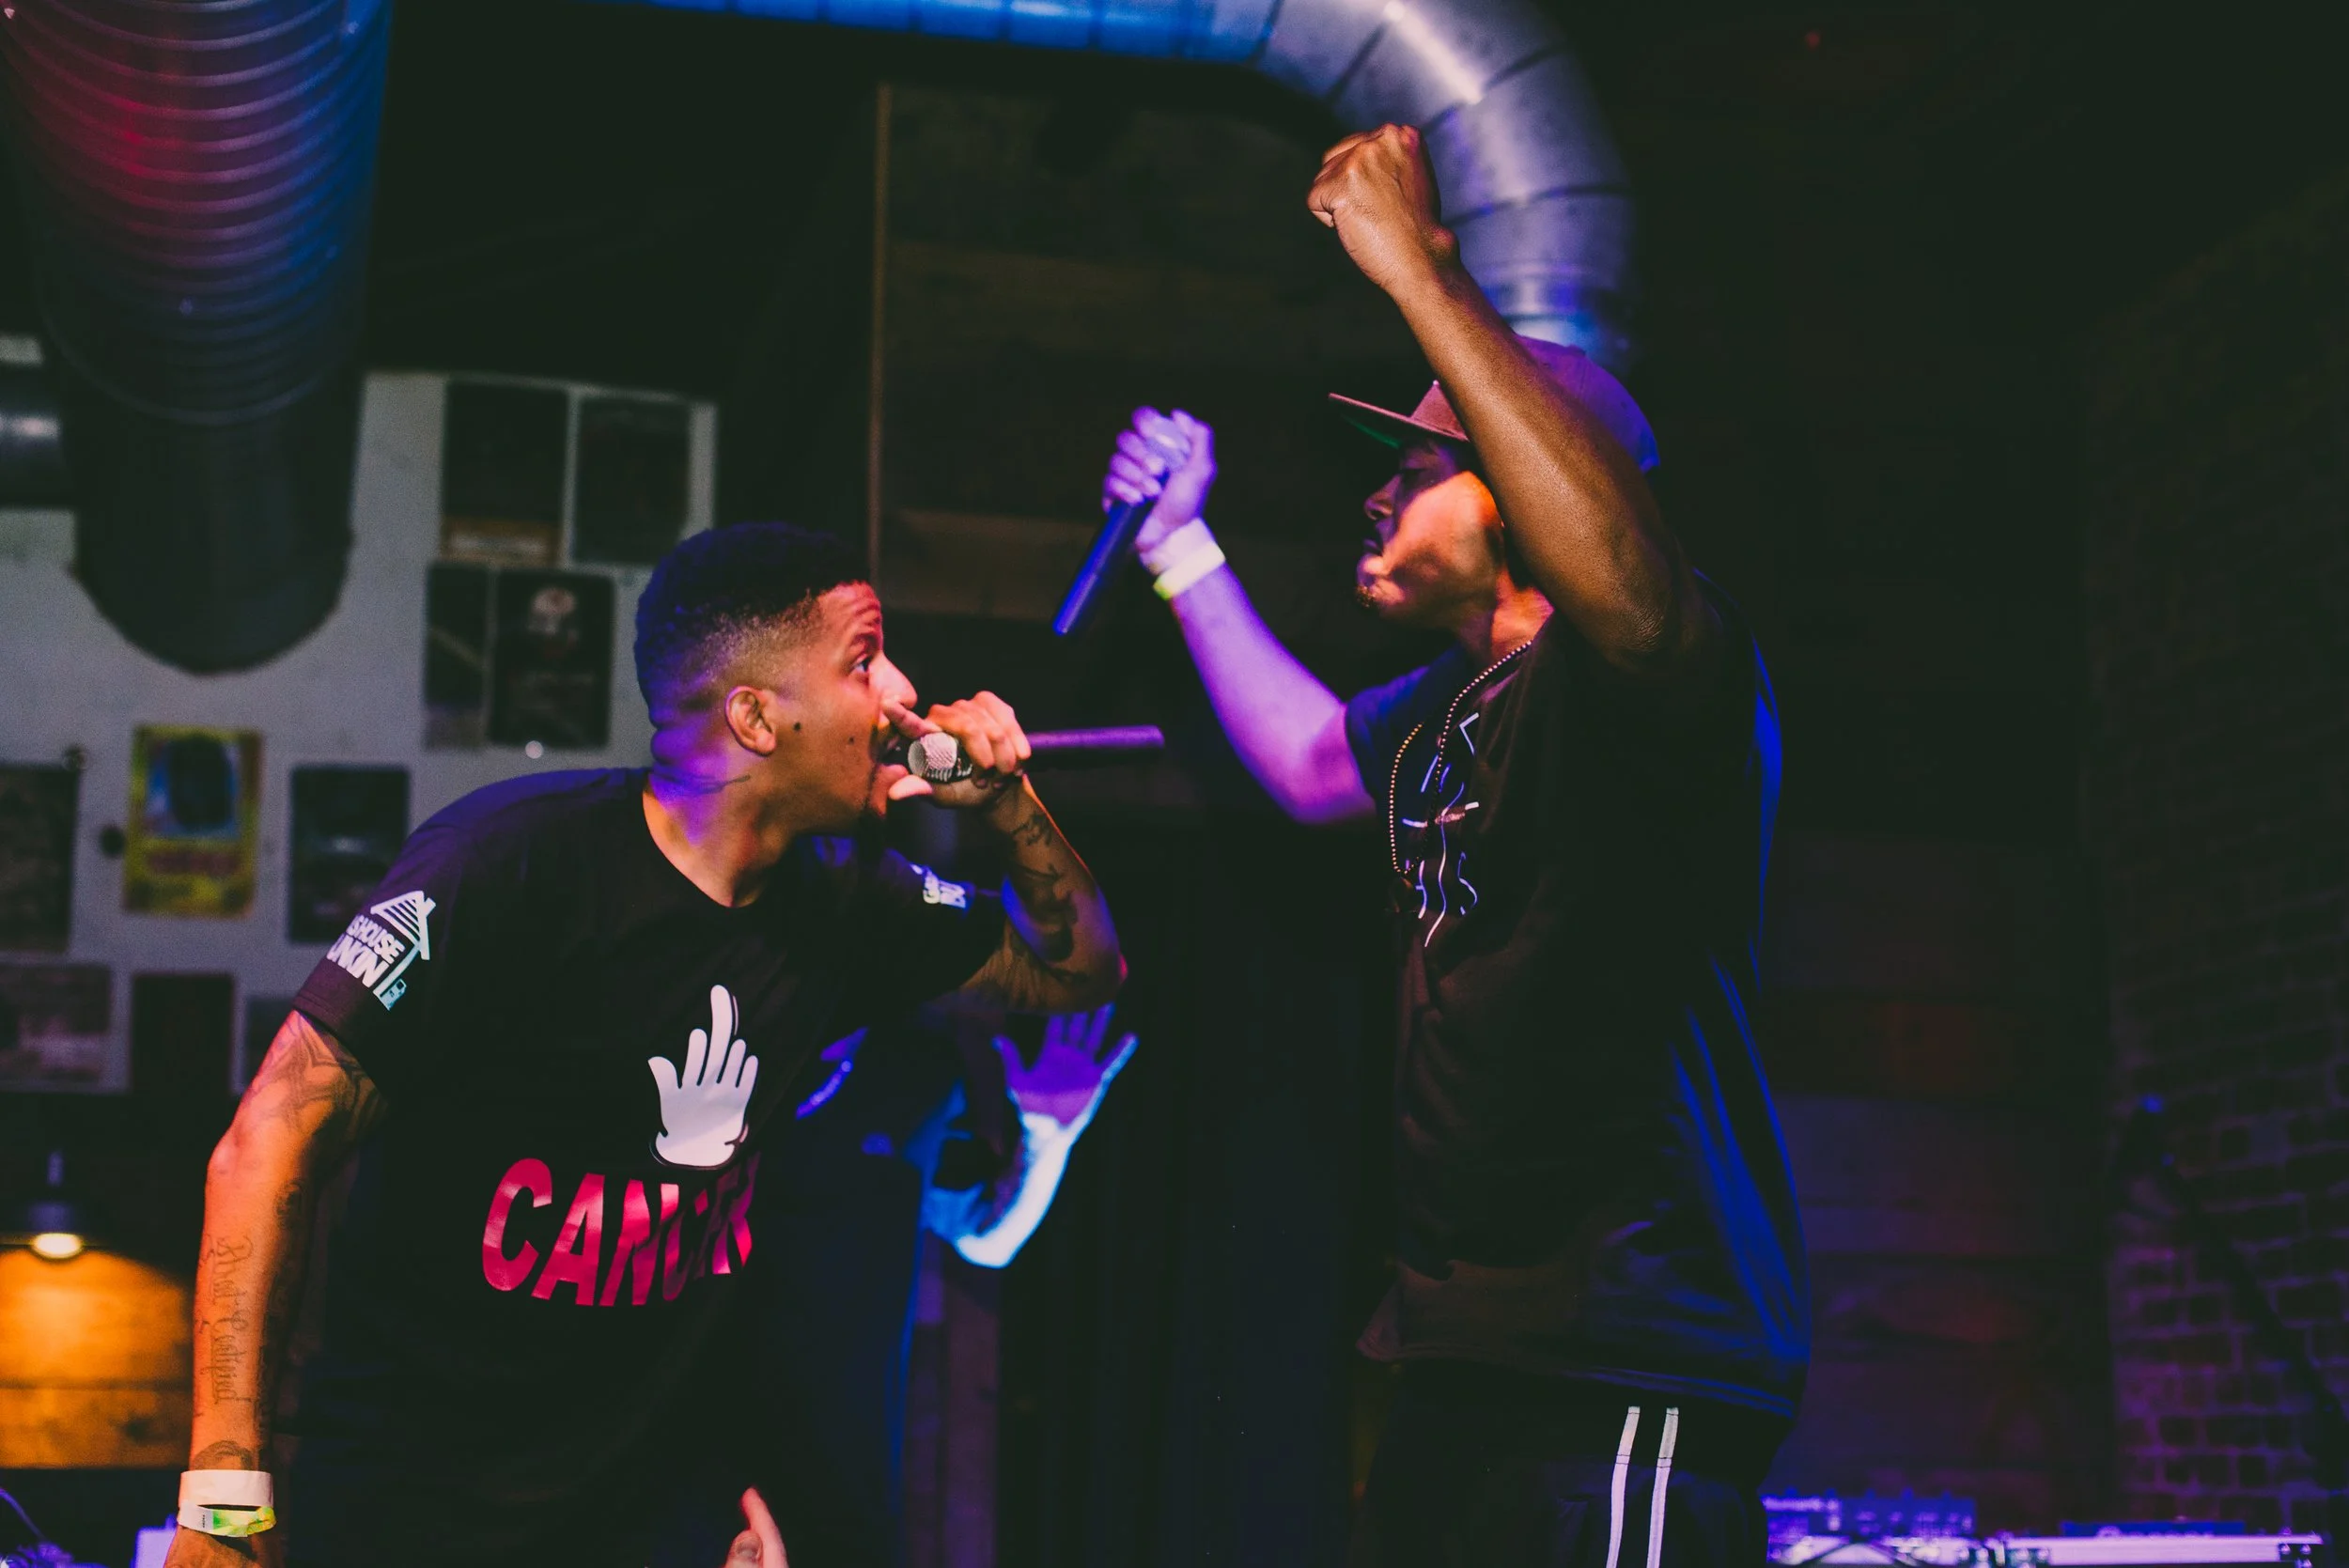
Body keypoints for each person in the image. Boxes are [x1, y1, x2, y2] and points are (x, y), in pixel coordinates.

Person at [1099, 125, 1809, 1566]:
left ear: (1520, 487)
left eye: (1417, 464)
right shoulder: (1446, 706)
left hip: (1625, 1351)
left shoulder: (1653, 671)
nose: (1373, 492)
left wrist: (1427, 275)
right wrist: (1181, 546)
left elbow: (1629, 586)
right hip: (1466, 1352)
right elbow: (1305, 762)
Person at [166, 523, 1123, 1568]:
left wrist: (1011, 807)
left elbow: (1078, 971)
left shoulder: (848, 902)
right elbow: (268, 1139)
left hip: (642, 1516)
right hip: (414, 1509)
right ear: (756, 715)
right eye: (863, 657)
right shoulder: (508, 865)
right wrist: (222, 1499)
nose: (900, 691)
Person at [741, 1002, 1135, 1567]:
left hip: (835, 1478)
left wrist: (1047, 1140)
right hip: (673, 1438)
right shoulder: (716, 1044)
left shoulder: (912, 1074)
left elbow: (987, 1240)